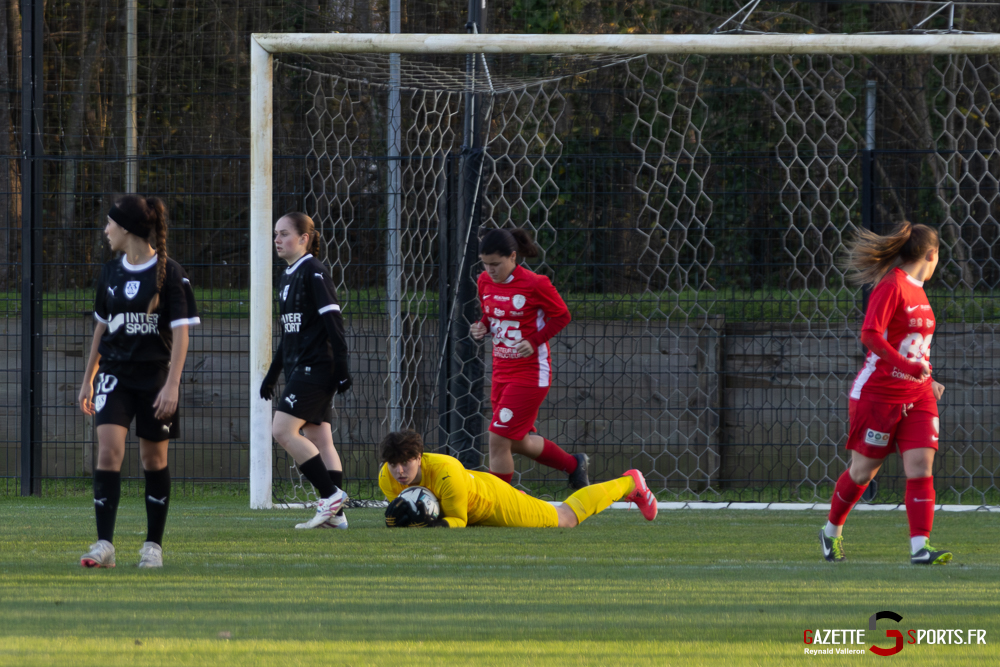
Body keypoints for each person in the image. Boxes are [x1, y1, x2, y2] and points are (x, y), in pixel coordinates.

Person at [77, 195, 200, 568]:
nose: (105, 231)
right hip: (115, 374)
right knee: (108, 450)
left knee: (152, 458)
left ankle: (152, 546)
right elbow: (102, 328)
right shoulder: (110, 272)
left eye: (109, 224)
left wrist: (172, 385)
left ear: (126, 228)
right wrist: (88, 379)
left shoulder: (171, 274)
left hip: (155, 379)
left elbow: (181, 335)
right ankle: (104, 545)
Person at [820, 221, 951, 565]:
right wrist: (909, 368)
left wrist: (927, 377)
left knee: (921, 465)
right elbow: (871, 335)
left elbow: (912, 348)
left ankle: (920, 548)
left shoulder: (919, 290)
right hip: (878, 395)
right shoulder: (892, 284)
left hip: (918, 395)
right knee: (863, 472)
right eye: (939, 256)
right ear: (931, 254)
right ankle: (831, 531)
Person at [469, 228, 588, 489]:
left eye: (496, 264)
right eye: (485, 264)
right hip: (501, 372)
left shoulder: (536, 284)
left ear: (513, 256)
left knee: (498, 437)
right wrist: (482, 325)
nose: (490, 270)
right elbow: (493, 314)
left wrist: (533, 341)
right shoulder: (484, 282)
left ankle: (496, 501)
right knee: (516, 440)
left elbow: (562, 316)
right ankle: (574, 465)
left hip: (531, 374)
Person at [260, 212, 352, 529]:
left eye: (284, 234)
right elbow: (290, 333)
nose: (277, 240)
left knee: (282, 430)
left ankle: (329, 495)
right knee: (320, 437)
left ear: (304, 239)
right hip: (304, 364)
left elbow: (333, 321)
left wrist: (342, 366)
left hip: (318, 367)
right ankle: (335, 516)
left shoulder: (313, 271)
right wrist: (273, 374)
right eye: (275, 234)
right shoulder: (288, 276)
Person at [378, 430, 657, 528]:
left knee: (565, 518)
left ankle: (631, 483)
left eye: (406, 462)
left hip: (494, 501)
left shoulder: (446, 471)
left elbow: (457, 522)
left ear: (419, 457)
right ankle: (524, 502)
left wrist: (427, 528)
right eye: (393, 464)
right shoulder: (386, 479)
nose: (399, 471)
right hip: (475, 502)